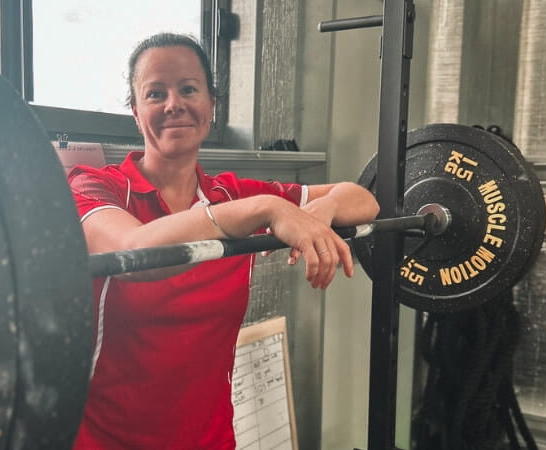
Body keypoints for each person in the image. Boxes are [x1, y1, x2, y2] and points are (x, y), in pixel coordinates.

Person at [67, 32, 379, 449]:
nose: (173, 103)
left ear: (212, 105)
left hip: (210, 439)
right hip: (105, 441)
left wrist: (315, 216)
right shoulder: (94, 186)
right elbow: (136, 251)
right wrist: (264, 209)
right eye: (155, 93)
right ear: (136, 112)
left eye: (188, 89)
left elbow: (362, 199)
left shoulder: (231, 193)